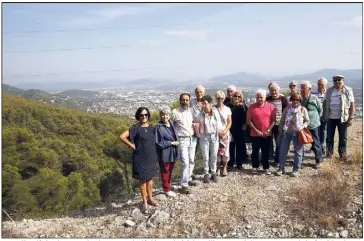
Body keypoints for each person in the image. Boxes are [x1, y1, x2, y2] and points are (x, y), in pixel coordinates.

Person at [120, 107, 158, 212]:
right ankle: (144, 202)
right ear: (138, 116)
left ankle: (150, 198)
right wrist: (131, 145)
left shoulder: (151, 127)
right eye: (142, 115)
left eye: (146, 115)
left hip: (151, 156)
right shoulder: (135, 128)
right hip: (140, 157)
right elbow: (122, 136)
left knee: (150, 178)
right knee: (142, 180)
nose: (144, 117)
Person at [275, 93, 310, 177]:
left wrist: (303, 127)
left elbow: (307, 121)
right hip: (286, 133)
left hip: (298, 132)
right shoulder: (286, 109)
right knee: (283, 151)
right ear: (291, 100)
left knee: (298, 152)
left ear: (300, 101)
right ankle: (281, 168)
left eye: (297, 100)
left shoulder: (302, 109)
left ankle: (296, 170)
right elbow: (282, 121)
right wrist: (281, 131)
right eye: (294, 100)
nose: (295, 102)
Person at [323, 75, 355, 159]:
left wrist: (350, 118)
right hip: (330, 118)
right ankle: (329, 154)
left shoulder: (348, 90)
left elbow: (352, 105)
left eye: (339, 80)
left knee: (343, 138)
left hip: (343, 118)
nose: (337, 82)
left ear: (342, 80)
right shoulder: (329, 91)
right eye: (335, 80)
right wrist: (324, 115)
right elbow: (325, 103)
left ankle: (342, 155)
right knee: (329, 137)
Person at [171, 93, 197, 194]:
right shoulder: (175, 112)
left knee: (191, 161)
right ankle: (184, 185)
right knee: (185, 162)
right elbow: (170, 125)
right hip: (182, 140)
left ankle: (188, 179)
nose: (185, 102)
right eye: (183, 100)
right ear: (180, 100)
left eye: (187, 100)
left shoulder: (190, 111)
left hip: (192, 138)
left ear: (189, 101)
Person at [247, 89, 276, 175]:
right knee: (255, 151)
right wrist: (256, 131)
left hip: (267, 134)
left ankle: (266, 167)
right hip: (255, 134)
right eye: (258, 97)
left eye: (261, 97)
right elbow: (249, 121)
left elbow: (273, 120)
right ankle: (255, 166)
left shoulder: (271, 106)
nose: (259, 99)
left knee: (266, 151)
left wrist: (268, 130)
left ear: (265, 97)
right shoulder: (251, 107)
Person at [195, 95, 221, 183]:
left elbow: (219, 124)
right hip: (204, 136)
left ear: (210, 104)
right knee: (205, 156)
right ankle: (206, 173)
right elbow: (196, 124)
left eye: (205, 103)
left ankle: (213, 173)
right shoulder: (200, 114)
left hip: (214, 136)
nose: (204, 105)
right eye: (202, 104)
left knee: (214, 155)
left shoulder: (216, 113)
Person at [154, 106, 179, 197]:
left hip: (172, 151)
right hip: (164, 152)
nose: (165, 117)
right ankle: (166, 190)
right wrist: (171, 142)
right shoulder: (158, 126)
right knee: (165, 170)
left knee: (170, 170)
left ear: (170, 115)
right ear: (160, 115)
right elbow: (158, 142)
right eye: (163, 115)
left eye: (167, 115)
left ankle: (167, 185)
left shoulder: (171, 123)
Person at [301, 80, 323, 168]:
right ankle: (300, 159)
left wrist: (315, 118)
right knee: (301, 141)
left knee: (315, 142)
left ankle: (319, 160)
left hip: (313, 124)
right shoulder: (300, 99)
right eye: (301, 88)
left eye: (304, 88)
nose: (302, 90)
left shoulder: (314, 98)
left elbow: (320, 109)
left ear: (309, 89)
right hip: (303, 125)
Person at [266, 82, 288, 165]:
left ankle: (277, 159)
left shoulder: (283, 99)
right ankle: (270, 156)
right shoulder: (267, 99)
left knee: (279, 142)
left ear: (278, 90)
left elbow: (286, 111)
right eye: (272, 91)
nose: (274, 92)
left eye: (275, 90)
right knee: (269, 141)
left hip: (279, 125)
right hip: (269, 125)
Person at [229, 90, 249, 170]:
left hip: (240, 130)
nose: (237, 97)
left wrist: (246, 125)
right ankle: (230, 163)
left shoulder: (244, 106)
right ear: (232, 97)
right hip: (231, 129)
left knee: (240, 147)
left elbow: (248, 116)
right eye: (235, 96)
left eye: (239, 96)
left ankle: (239, 163)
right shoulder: (228, 106)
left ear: (241, 98)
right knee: (231, 147)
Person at [214, 90, 232, 176]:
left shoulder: (227, 109)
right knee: (216, 152)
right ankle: (217, 168)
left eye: (221, 98)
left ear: (224, 98)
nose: (220, 100)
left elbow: (229, 122)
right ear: (216, 98)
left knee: (225, 152)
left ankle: (224, 168)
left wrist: (224, 132)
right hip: (215, 134)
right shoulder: (213, 109)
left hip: (225, 134)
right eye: (218, 98)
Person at [311, 77, 328, 156]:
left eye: (322, 84)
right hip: (315, 118)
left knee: (323, 133)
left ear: (325, 85)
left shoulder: (328, 93)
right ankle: (316, 147)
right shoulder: (313, 93)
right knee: (315, 133)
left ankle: (322, 148)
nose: (321, 86)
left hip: (324, 117)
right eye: (319, 84)